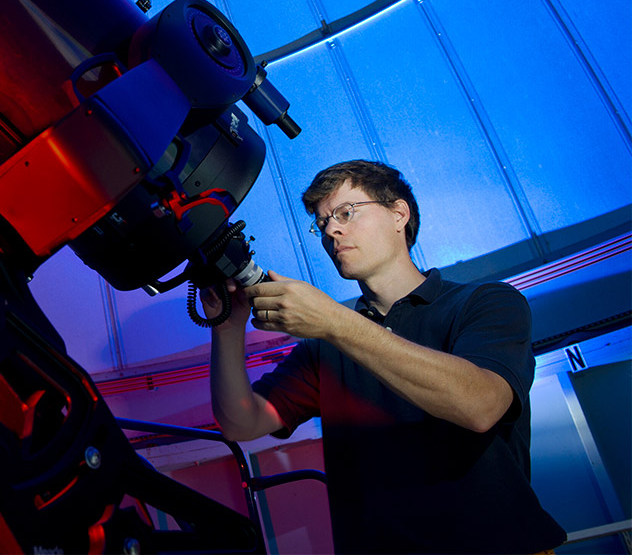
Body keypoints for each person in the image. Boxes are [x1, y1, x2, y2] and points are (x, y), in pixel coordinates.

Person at [204, 160, 565, 555]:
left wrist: (337, 323)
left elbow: (479, 405)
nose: (331, 230)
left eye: (345, 213)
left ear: (399, 214)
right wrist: (227, 326)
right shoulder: (324, 345)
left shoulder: (484, 303)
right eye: (322, 223)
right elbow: (241, 421)